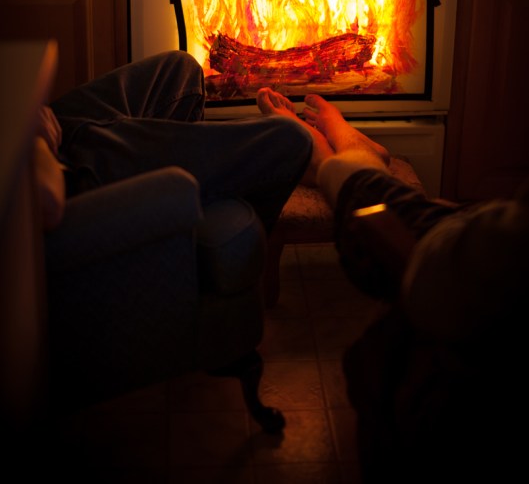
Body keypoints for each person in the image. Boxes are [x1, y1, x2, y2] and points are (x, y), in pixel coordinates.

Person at [256, 86, 529, 484]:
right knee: (368, 176)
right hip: (489, 244)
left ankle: (319, 150)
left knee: (360, 185)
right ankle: (339, 139)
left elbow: (460, 265)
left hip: (467, 268)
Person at [35, 51, 314, 234]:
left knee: (182, 69)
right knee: (290, 139)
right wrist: (32, 143)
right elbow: (45, 204)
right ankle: (190, 212)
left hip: (53, 127)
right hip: (61, 169)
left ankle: (184, 203)